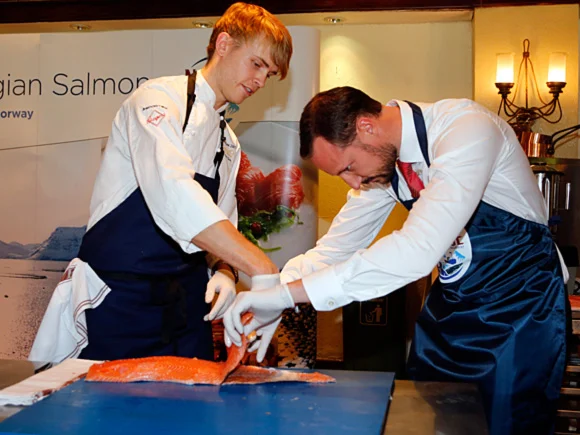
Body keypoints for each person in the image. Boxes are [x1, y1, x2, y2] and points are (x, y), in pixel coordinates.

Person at [223, 87, 568, 434]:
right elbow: (333, 251)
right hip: (454, 310)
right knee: (438, 421)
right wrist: (269, 291)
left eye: (349, 168)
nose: (353, 183)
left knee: (510, 425)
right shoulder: (383, 167)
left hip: (520, 307)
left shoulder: (466, 129)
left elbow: (419, 247)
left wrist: (287, 296)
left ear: (366, 126)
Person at [30, 2, 292, 363]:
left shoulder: (227, 143)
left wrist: (227, 271)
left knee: (189, 413)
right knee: (111, 413)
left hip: (185, 308)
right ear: (224, 44)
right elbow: (173, 194)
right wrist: (261, 268)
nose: (261, 81)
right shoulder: (156, 101)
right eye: (258, 64)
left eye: (270, 73)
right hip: (119, 299)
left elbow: (224, 221)